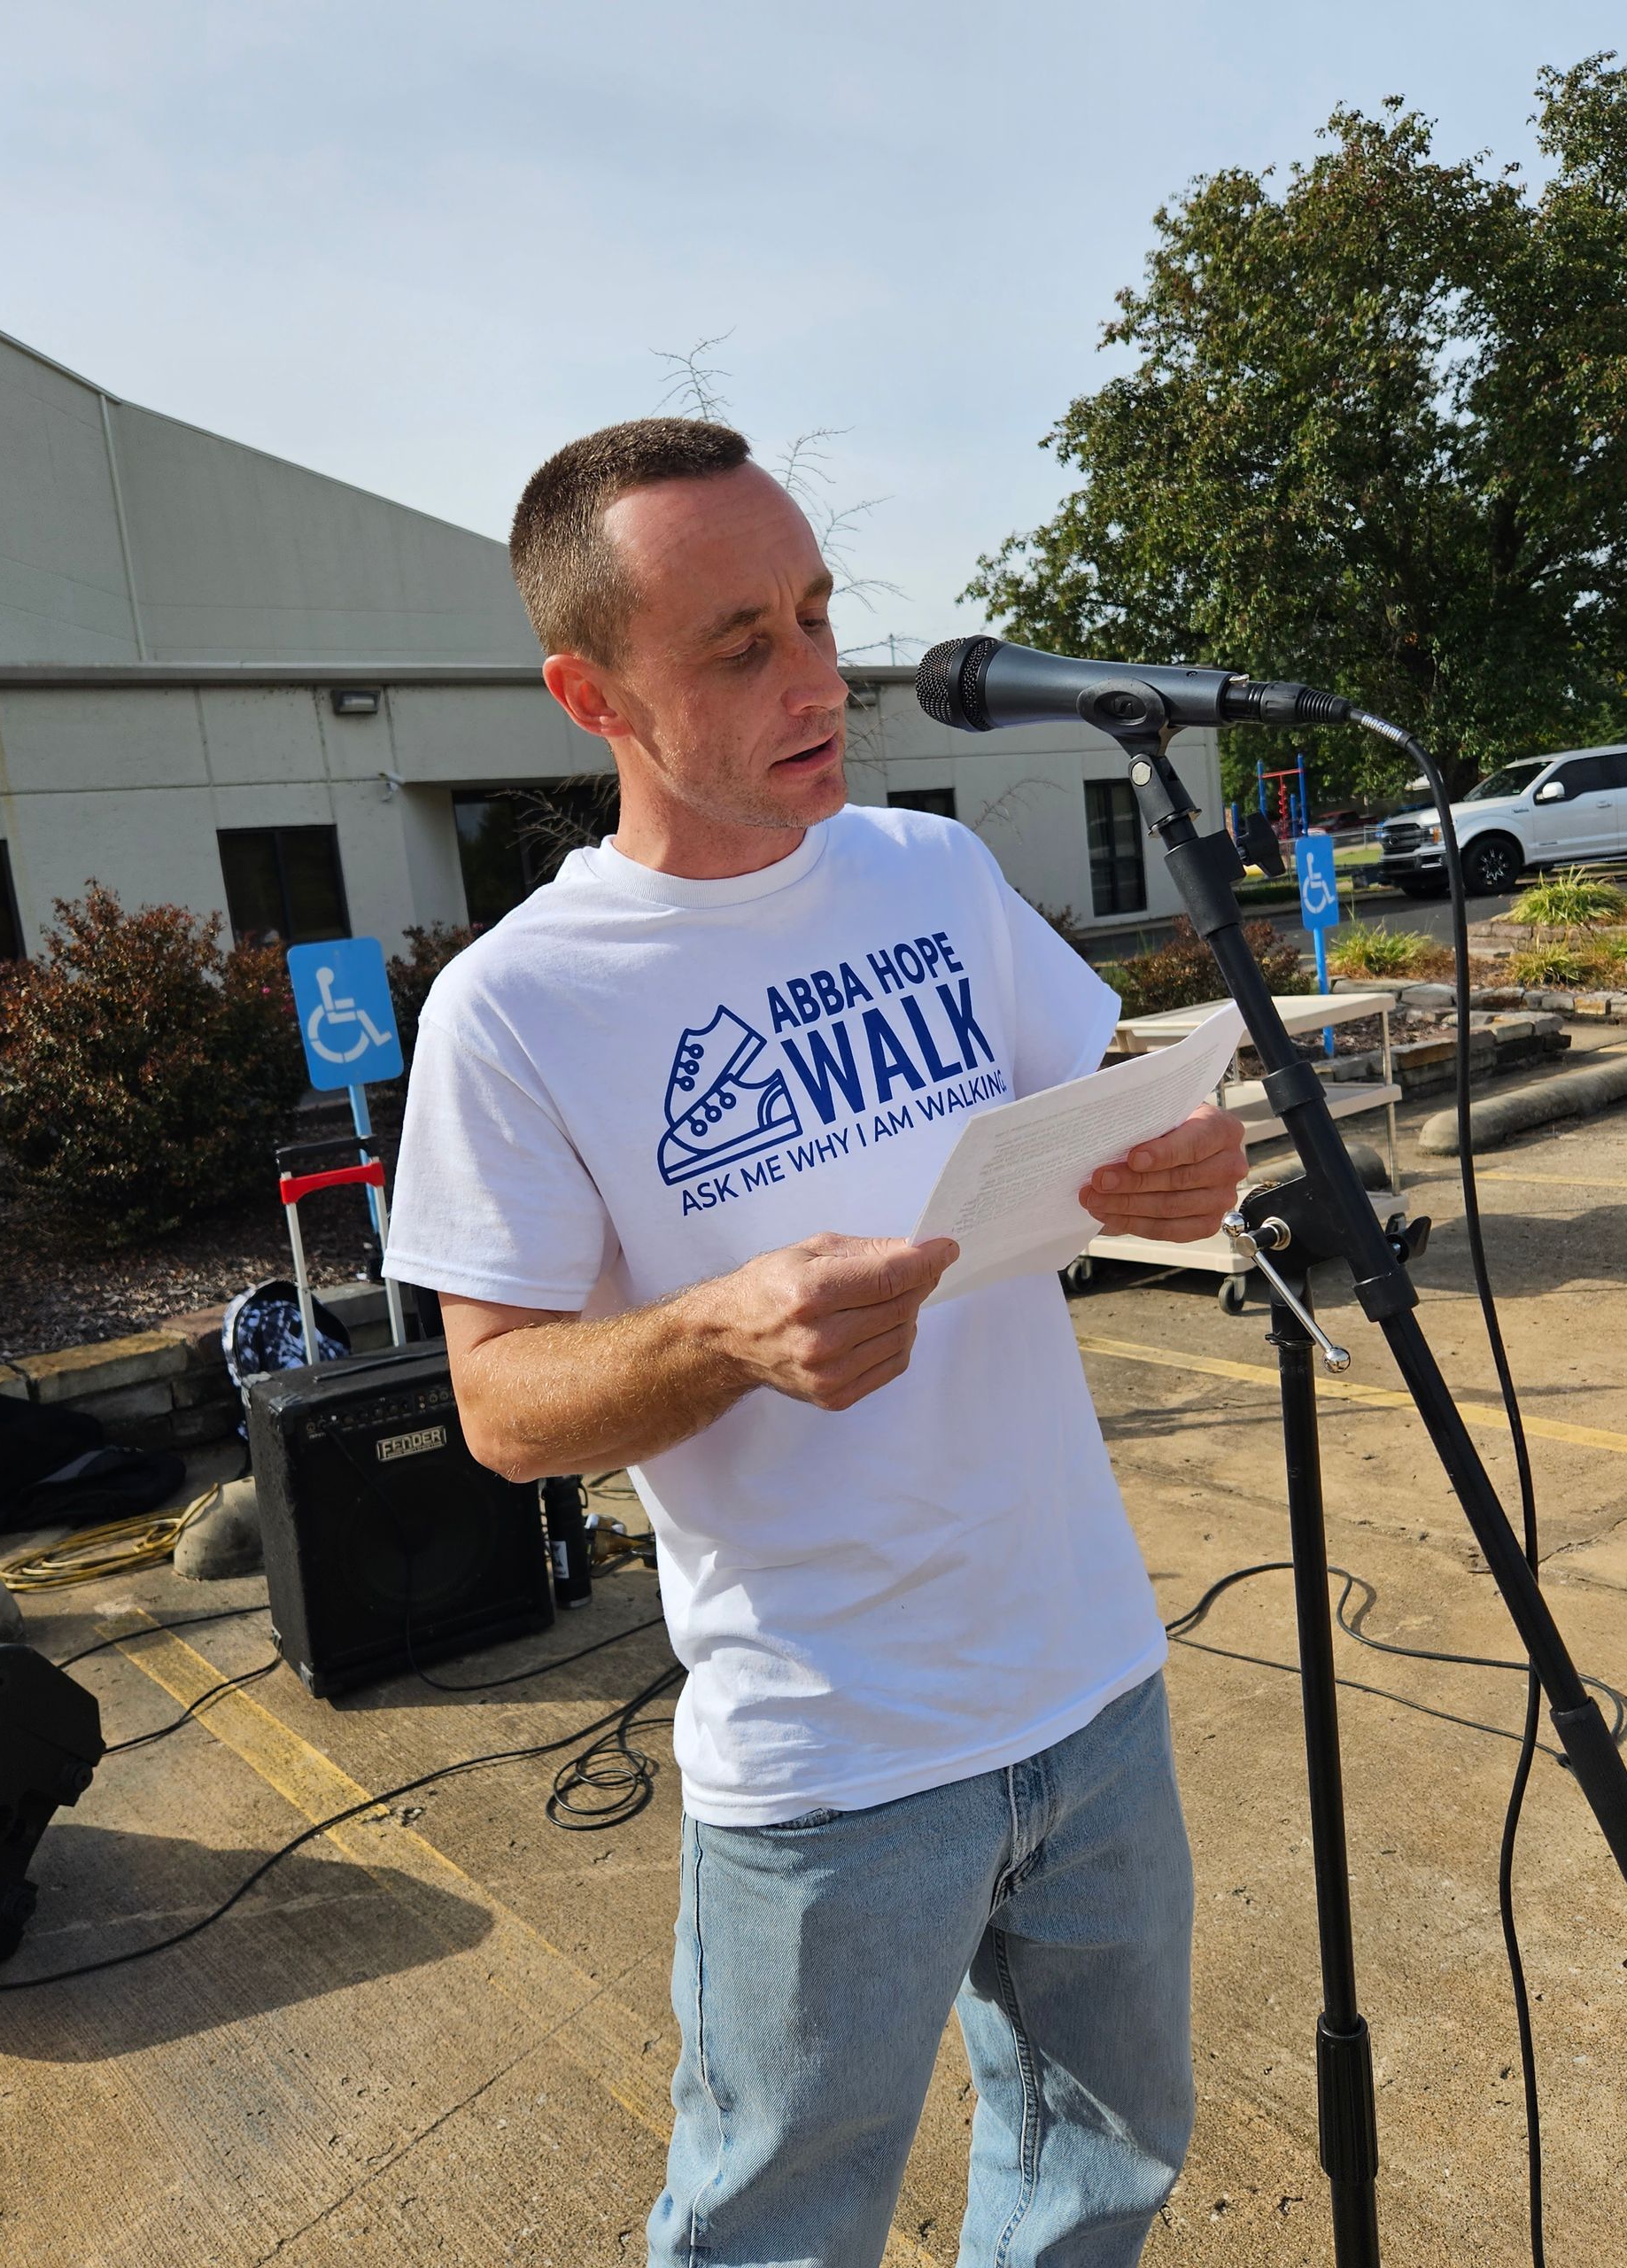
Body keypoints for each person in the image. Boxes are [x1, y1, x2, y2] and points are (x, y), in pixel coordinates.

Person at [383, 417, 1248, 2266]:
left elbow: (1096, 1113)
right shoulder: (515, 1006)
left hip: (1092, 1671)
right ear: (589, 694)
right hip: (829, 1754)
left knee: (1104, 2170)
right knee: (774, 2227)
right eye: (740, 644)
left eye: (817, 613)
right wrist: (717, 1330)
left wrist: (1180, 1164)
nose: (817, 679)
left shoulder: (930, 874)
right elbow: (500, 1404)